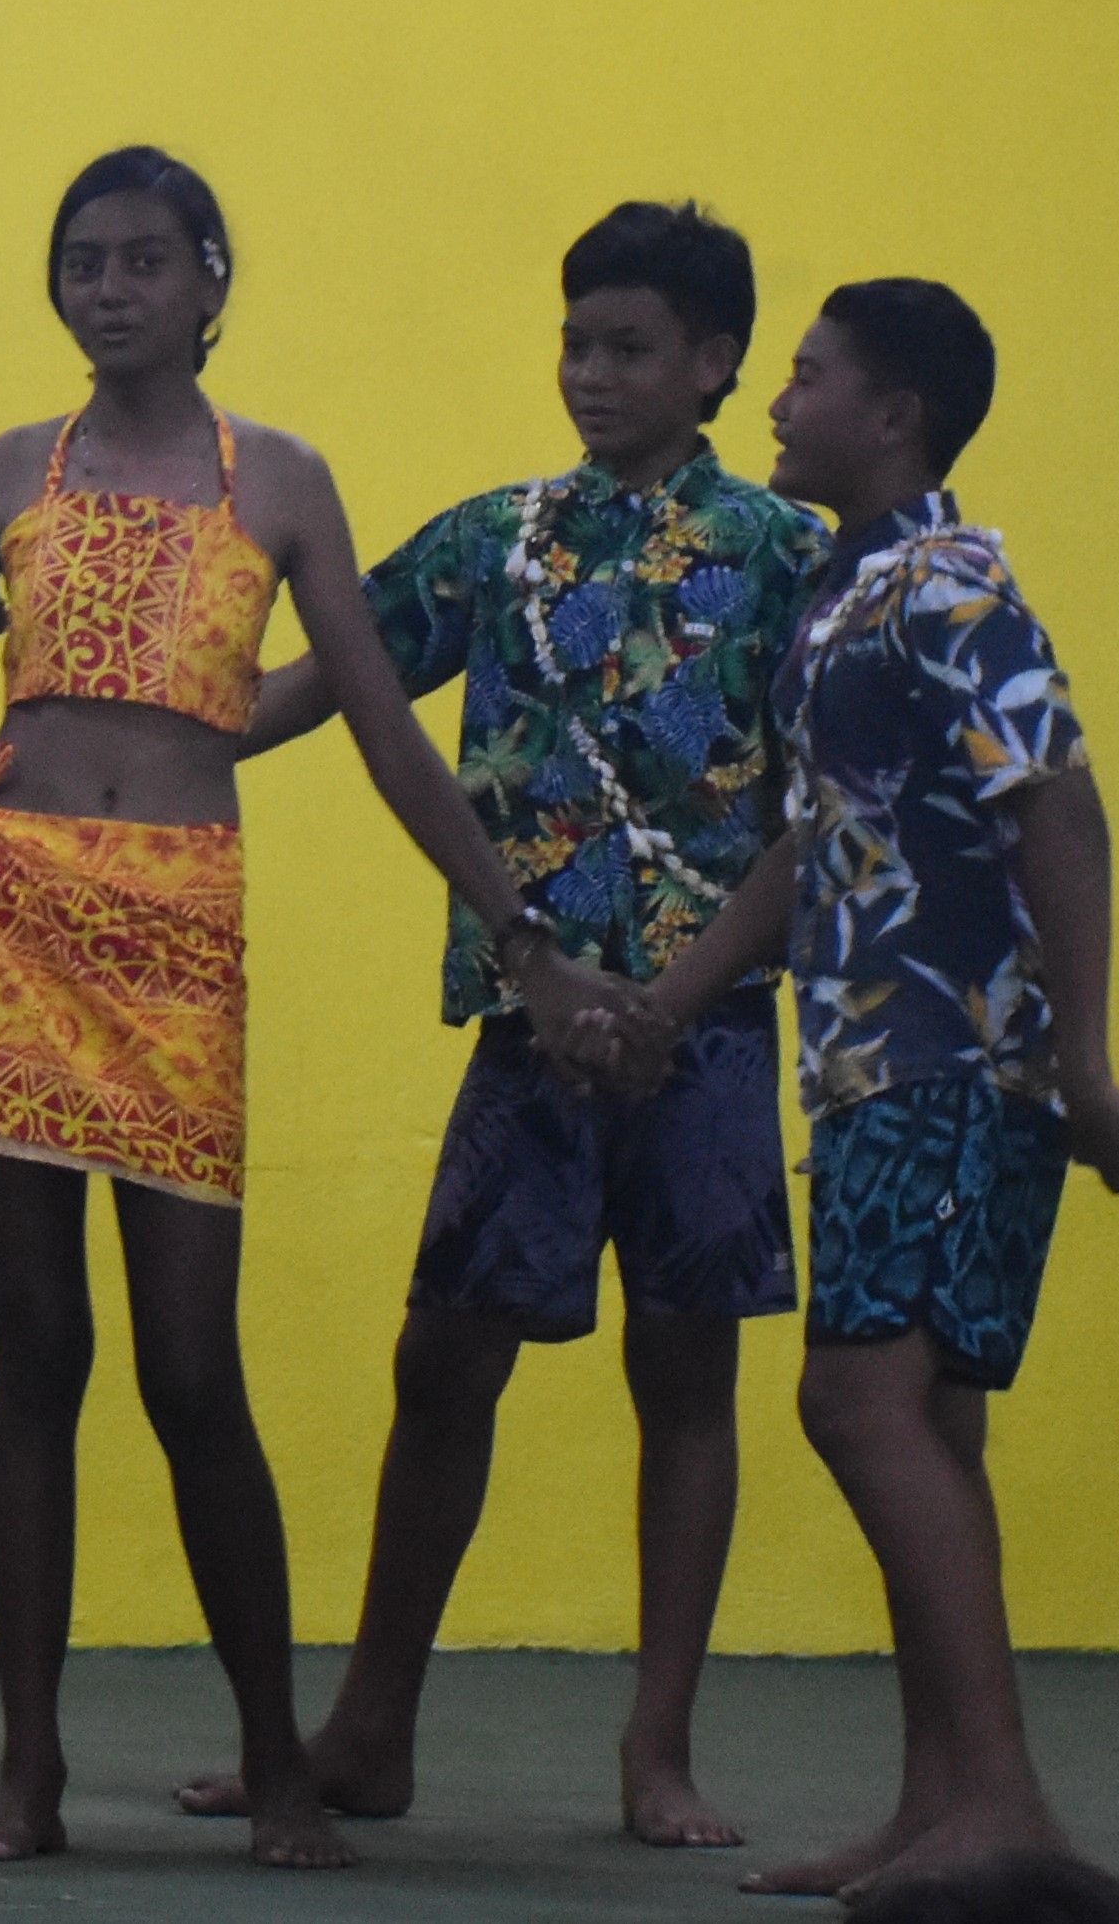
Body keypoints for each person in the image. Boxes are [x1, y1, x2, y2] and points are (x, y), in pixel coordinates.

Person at [0, 147, 624, 1873]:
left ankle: (279, 1763)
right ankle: (28, 1775)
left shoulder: (287, 483)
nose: (109, 286)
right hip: (4, 906)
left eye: (145, 259)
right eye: (82, 260)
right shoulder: (9, 474)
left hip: (174, 932)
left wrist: (518, 934)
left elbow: (386, 732)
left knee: (187, 1362)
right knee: (38, 1347)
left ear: (213, 277)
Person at [176, 201, 836, 1851]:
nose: (591, 374)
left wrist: (673, 997)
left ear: (714, 362)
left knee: (685, 1372)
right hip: (529, 1036)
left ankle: (658, 1748)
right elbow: (314, 684)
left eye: (629, 348)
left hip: (708, 1032)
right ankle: (371, 1724)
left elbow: (820, 812)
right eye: (574, 341)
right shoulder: (494, 541)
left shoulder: (786, 558)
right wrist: (115, 723)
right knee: (441, 1356)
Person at [620, 280, 1119, 1900]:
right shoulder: (842, 598)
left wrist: (1083, 1057)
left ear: (895, 411)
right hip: (874, 1061)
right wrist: (670, 1001)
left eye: (804, 377)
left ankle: (1003, 1795)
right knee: (927, 1414)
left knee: (853, 1400)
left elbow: (1057, 801)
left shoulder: (946, 577)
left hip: (950, 1058)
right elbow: (817, 844)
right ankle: (943, 1806)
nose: (775, 402)